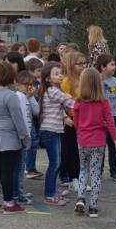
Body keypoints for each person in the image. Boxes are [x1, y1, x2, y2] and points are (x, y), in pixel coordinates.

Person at [0, 61, 31, 213]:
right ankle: (9, 203)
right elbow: (19, 121)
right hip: (9, 137)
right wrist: (26, 139)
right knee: (7, 171)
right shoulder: (11, 96)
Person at [73, 68, 116, 219]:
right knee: (95, 173)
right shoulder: (104, 103)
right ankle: (93, 206)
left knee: (83, 170)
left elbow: (76, 123)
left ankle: (80, 198)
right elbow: (111, 123)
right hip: (98, 141)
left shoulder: (78, 102)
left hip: (83, 140)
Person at [37, 61, 74, 205]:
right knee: (55, 163)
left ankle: (52, 189)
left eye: (61, 73)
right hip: (50, 132)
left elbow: (62, 106)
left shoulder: (53, 90)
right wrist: (87, 104)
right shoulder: (53, 91)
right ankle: (49, 194)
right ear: (47, 78)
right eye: (56, 74)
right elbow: (70, 104)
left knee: (56, 162)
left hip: (54, 130)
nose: (60, 76)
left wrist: (65, 117)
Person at [95, 55, 116, 183]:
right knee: (100, 146)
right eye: (111, 64)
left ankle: (114, 171)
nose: (114, 67)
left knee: (115, 146)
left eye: (114, 64)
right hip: (101, 119)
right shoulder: (96, 82)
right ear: (102, 67)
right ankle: (98, 171)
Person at [60, 51, 87, 186]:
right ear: (71, 65)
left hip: (83, 116)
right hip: (71, 118)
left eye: (84, 63)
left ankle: (78, 176)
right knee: (72, 149)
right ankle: (73, 177)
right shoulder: (67, 81)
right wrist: (66, 118)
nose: (83, 66)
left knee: (80, 148)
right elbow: (63, 101)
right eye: (79, 64)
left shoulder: (83, 79)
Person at [13, 70, 39, 206]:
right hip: (21, 138)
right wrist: (26, 139)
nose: (29, 87)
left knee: (19, 167)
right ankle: (17, 194)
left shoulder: (26, 97)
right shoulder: (19, 97)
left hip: (24, 136)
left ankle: (18, 191)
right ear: (17, 85)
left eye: (31, 84)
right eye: (26, 84)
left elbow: (36, 111)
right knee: (18, 168)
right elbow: (22, 118)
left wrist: (31, 96)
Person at [24, 58, 45, 179]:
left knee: (35, 141)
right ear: (30, 71)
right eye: (38, 70)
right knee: (32, 141)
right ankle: (30, 168)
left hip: (37, 115)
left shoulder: (38, 83)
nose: (40, 73)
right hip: (30, 116)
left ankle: (31, 167)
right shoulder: (30, 84)